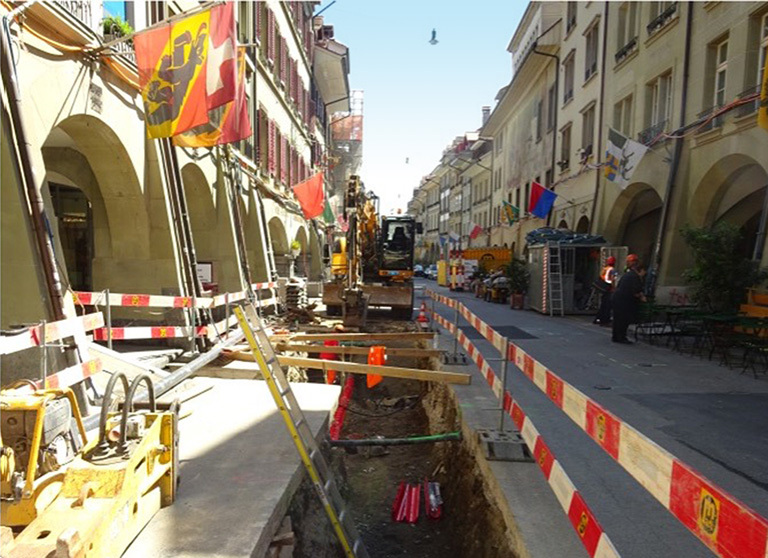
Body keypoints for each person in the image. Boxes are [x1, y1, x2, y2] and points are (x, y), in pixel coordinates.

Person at [612, 255, 647, 344]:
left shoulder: (628, 274)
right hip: (624, 301)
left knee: (618, 319)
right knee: (623, 319)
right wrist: (642, 297)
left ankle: (616, 336)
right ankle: (621, 337)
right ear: (641, 270)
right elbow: (635, 291)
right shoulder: (634, 277)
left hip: (617, 299)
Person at [594, 256, 617, 325]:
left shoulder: (605, 269)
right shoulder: (613, 270)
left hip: (603, 288)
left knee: (603, 304)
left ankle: (598, 318)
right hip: (609, 288)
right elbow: (613, 279)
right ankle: (605, 320)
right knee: (608, 305)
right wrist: (614, 288)